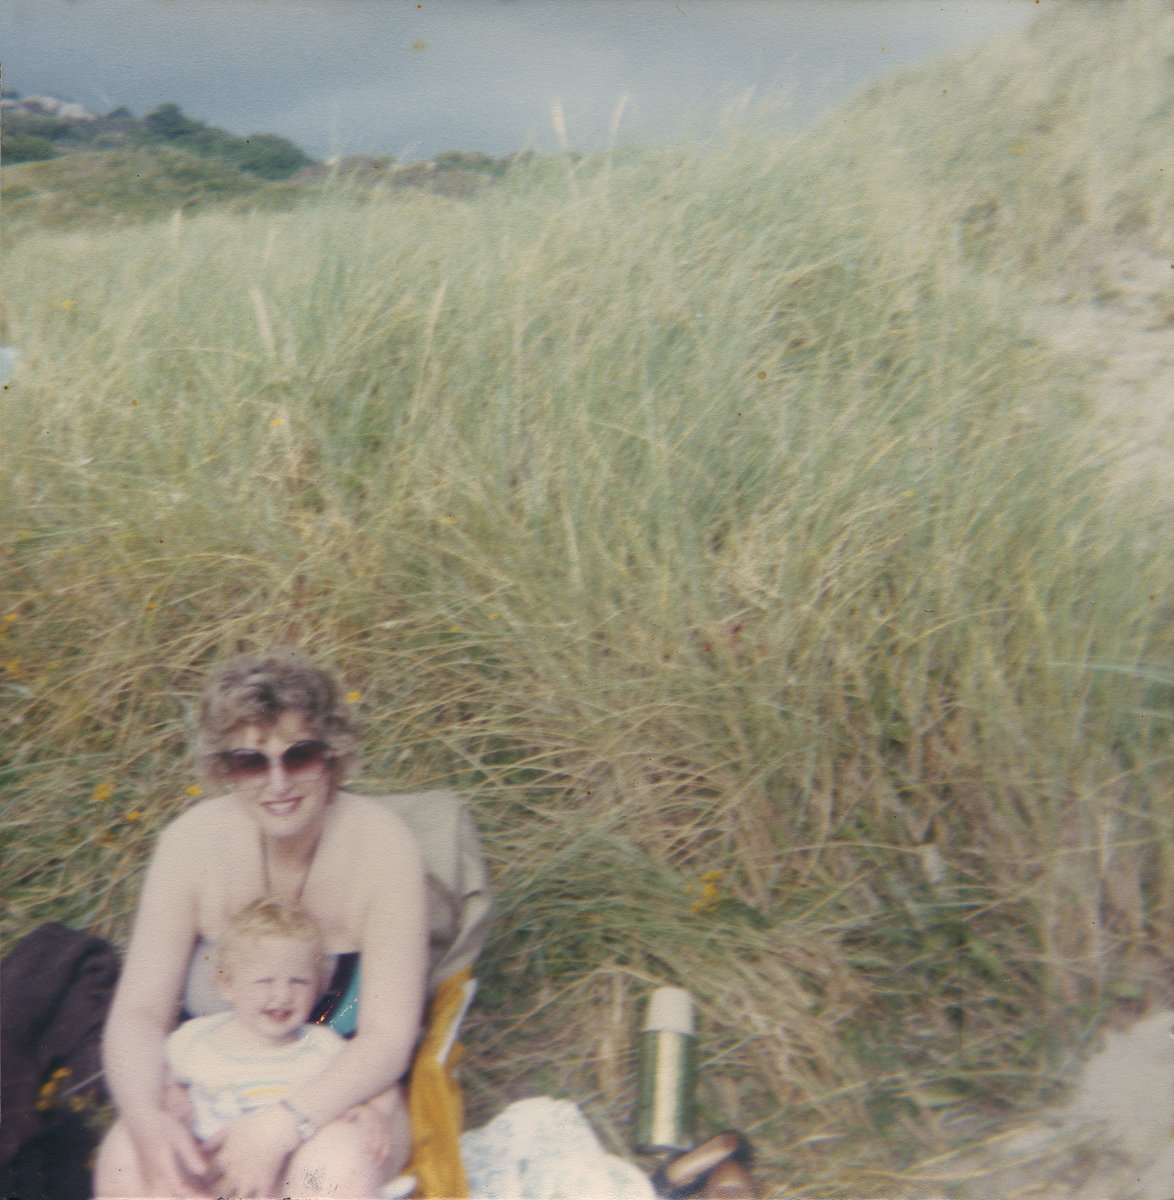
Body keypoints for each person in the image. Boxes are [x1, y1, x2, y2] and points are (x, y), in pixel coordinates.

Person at [94, 650, 429, 1199]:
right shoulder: (190, 844)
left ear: (332, 756)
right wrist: (144, 1112)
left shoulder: (383, 848)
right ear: (224, 768)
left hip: (342, 1104)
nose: (278, 783)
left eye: (300, 756)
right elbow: (138, 1013)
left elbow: (388, 1039)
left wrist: (281, 1125)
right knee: (127, 1161)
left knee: (330, 1174)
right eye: (251, 762)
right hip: (213, 1096)